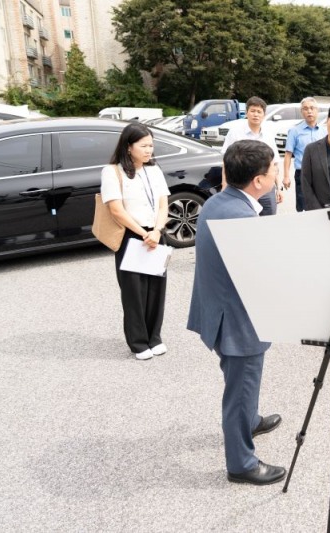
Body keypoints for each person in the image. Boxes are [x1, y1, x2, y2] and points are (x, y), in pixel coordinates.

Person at [187, 140, 285, 485]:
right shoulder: (242, 219)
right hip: (237, 322)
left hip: (218, 311)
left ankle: (250, 419)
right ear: (258, 180)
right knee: (239, 388)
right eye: (273, 168)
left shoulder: (219, 202)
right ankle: (241, 463)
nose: (277, 172)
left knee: (240, 384)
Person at [101, 122, 170, 361]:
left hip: (156, 233)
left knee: (156, 288)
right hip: (132, 235)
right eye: (144, 146)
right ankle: (138, 342)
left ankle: (155, 338)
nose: (149, 150)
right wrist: (144, 233)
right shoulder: (112, 171)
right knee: (134, 292)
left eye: (151, 145)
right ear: (129, 147)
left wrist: (158, 230)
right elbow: (116, 210)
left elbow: (163, 203)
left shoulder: (154, 170)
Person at [221, 96, 282, 215]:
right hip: (243, 186)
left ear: (264, 115)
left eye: (259, 112)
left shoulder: (268, 135)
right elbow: (226, 162)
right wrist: (225, 185)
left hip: (265, 188)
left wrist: (279, 187)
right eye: (252, 111)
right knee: (243, 218)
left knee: (268, 221)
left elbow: (274, 163)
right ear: (247, 113)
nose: (256, 115)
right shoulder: (235, 133)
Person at [283, 97, 327, 212]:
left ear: (317, 111)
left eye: (312, 108)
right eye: (305, 109)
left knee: (320, 204)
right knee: (302, 206)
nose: (309, 111)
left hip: (320, 173)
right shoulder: (294, 131)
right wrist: (286, 176)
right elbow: (288, 155)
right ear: (302, 112)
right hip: (302, 173)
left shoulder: (324, 131)